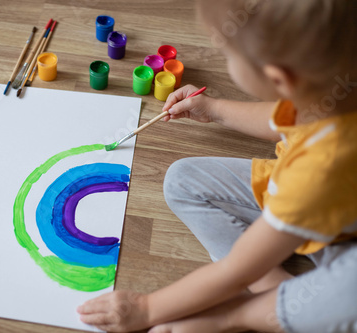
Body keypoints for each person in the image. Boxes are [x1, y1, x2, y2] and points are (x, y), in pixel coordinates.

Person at [77, 0, 357, 332]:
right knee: (182, 180)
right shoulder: (332, 88)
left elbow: (237, 271)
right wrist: (215, 109)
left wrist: (147, 308)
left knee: (339, 299)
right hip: (323, 202)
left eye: (229, 55)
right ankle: (273, 287)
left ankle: (241, 314)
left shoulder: (318, 169)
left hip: (342, 241)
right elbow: (285, 120)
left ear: (279, 78)